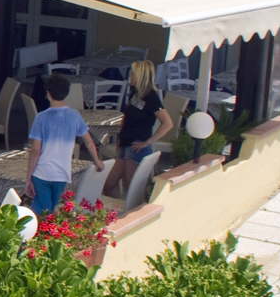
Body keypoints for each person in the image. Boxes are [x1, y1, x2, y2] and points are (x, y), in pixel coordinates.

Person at [23, 75, 103, 215]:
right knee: (52, 209)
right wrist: (96, 160)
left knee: (41, 212)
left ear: (48, 94)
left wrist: (28, 178)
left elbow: (36, 150)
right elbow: (89, 142)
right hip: (62, 174)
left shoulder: (41, 118)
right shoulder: (75, 115)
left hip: (42, 173)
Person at [110, 59, 173, 200]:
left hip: (137, 144)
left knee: (130, 185)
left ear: (140, 76)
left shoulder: (151, 97)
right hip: (126, 141)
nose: (130, 76)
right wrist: (120, 137)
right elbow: (127, 116)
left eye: (133, 73)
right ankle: (115, 210)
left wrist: (148, 142)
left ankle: (131, 213)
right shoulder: (135, 93)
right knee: (110, 183)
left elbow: (167, 123)